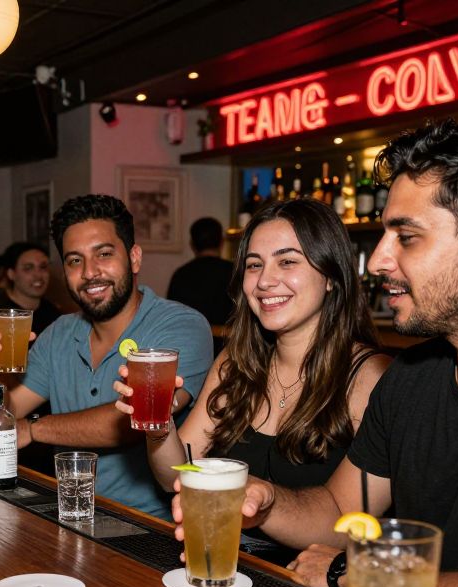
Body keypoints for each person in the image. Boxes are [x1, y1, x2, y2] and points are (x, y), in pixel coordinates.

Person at [179, 118, 458, 587]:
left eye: (406, 236)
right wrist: (260, 499)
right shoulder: (412, 380)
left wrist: (350, 574)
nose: (379, 260)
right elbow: (337, 512)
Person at [115, 199, 388, 563]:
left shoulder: (369, 377)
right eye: (254, 264)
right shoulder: (236, 363)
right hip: (224, 561)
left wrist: (263, 502)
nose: (264, 280)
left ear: (332, 277)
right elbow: (174, 478)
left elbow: (350, 525)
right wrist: (159, 426)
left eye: (287, 261)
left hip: (308, 584)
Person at [0, 194, 213, 518]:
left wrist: (32, 429)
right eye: (74, 260)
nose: (89, 272)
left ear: (134, 257)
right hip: (69, 513)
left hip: (155, 527)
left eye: (103, 254)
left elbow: (136, 419)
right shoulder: (59, 332)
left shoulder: (180, 325)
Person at [166, 217, 234, 326]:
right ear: (222, 242)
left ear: (192, 245)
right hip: (230, 342)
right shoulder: (235, 271)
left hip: (190, 341)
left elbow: (172, 318)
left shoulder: (180, 275)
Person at [0, 242, 62, 335]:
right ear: (11, 274)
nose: (38, 275)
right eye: (28, 268)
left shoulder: (54, 315)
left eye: (43, 267)